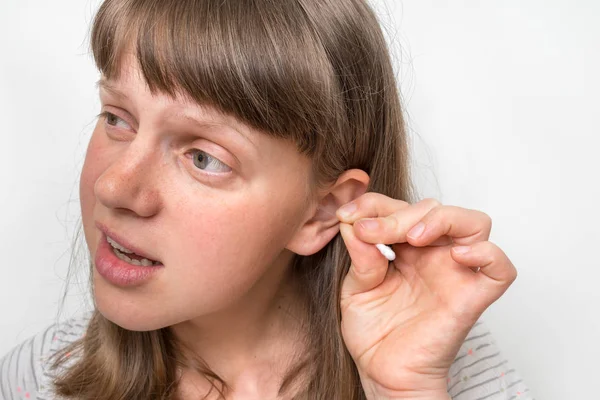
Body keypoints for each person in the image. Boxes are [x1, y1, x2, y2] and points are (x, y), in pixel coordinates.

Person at [0, 0, 534, 399]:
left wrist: (405, 391)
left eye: (204, 157)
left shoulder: (440, 363)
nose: (112, 187)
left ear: (321, 211)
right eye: (117, 118)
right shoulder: (37, 378)